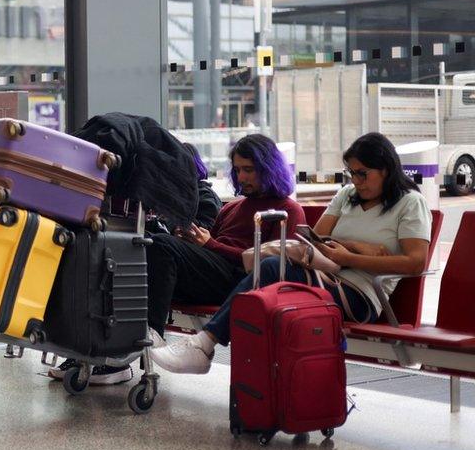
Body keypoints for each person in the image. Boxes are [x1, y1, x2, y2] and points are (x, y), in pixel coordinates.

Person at [150, 132, 431, 374]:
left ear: (386, 170)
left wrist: (349, 257)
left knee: (272, 266)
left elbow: (416, 262)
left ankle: (204, 344)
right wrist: (364, 247)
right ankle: (165, 339)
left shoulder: (410, 203)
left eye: (363, 173)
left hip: (361, 294)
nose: (356, 181)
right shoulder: (347, 196)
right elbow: (313, 238)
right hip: (324, 276)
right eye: (352, 173)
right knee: (267, 266)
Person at [48, 134, 305, 385]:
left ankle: (149, 334)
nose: (242, 177)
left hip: (240, 279)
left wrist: (208, 244)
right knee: (135, 249)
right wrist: (191, 241)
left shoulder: (287, 209)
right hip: (212, 273)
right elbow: (208, 249)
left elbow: (278, 262)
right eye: (238, 170)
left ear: (268, 169)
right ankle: (109, 347)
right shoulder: (232, 207)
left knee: (160, 245)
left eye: (249, 170)